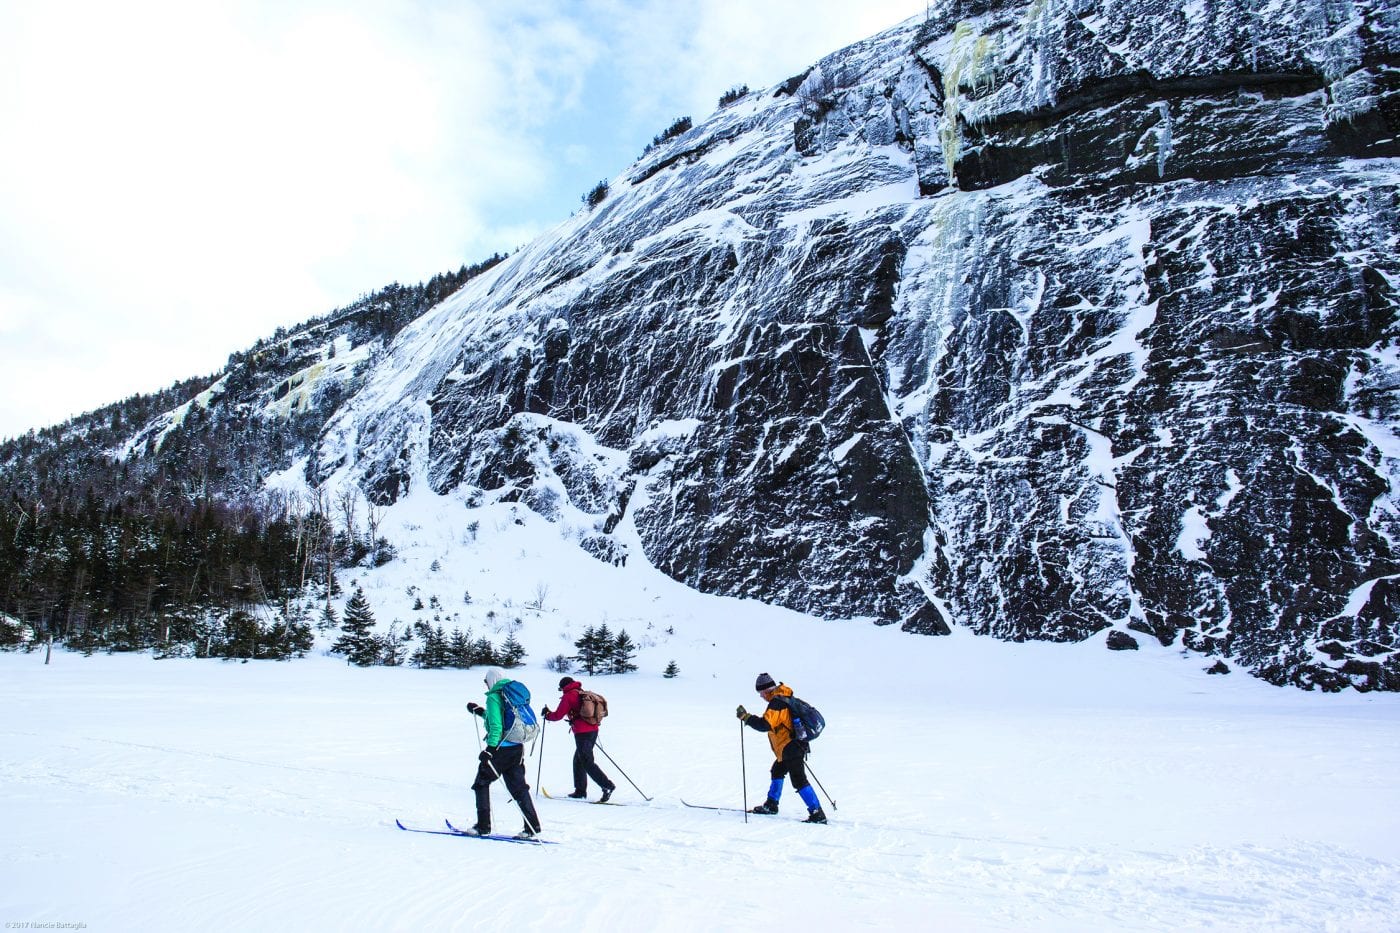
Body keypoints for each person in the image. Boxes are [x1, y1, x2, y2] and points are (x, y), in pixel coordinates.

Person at [736, 672, 826, 823]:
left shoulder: (777, 703)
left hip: (791, 746)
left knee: (798, 779)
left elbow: (765, 725)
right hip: (791, 745)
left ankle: (817, 813)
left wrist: (746, 717)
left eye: (761, 693)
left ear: (766, 691)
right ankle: (771, 804)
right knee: (777, 770)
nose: (761, 696)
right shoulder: (784, 697)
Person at [465, 667, 543, 839]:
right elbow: (501, 719)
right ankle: (532, 826)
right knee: (519, 788)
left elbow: (496, 727)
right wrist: (479, 711)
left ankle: (483, 826)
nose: (486, 684)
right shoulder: (512, 694)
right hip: (517, 748)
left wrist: (489, 750)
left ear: (491, 680)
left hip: (501, 750)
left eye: (486, 681)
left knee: (481, 783)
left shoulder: (494, 697)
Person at [542, 676, 616, 802]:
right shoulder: (581, 692)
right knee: (578, 760)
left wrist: (547, 715)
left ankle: (607, 786)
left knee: (586, 761)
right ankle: (580, 791)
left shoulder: (569, 695)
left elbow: (558, 715)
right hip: (593, 730)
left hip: (583, 732)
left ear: (563, 687)